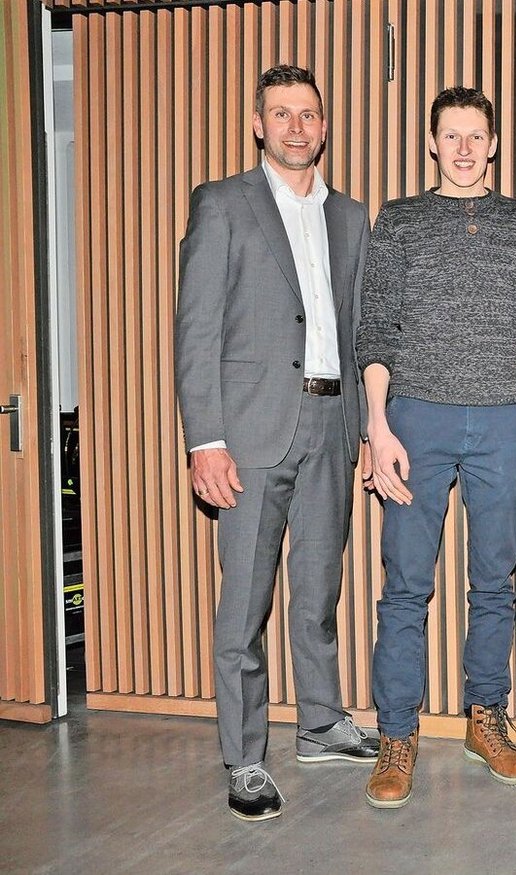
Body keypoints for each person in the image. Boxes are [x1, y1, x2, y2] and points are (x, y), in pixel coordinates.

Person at [175, 64, 378, 822]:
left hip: (331, 427)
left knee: (318, 589)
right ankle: (247, 757)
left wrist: (361, 423)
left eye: (309, 114)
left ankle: (320, 721)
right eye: (282, 114)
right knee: (245, 608)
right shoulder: (224, 204)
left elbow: (355, 329)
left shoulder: (351, 217)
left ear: (325, 127)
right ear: (258, 123)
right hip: (252, 432)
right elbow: (195, 330)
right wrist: (207, 439)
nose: (297, 126)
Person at [355, 87, 516, 809]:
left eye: (477, 135)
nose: (465, 147)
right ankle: (397, 734)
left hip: (504, 417)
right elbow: (375, 329)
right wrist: (378, 429)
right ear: (432, 142)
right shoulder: (401, 220)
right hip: (416, 419)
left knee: (494, 581)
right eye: (452, 135)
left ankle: (485, 719)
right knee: (406, 584)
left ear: (494, 144)